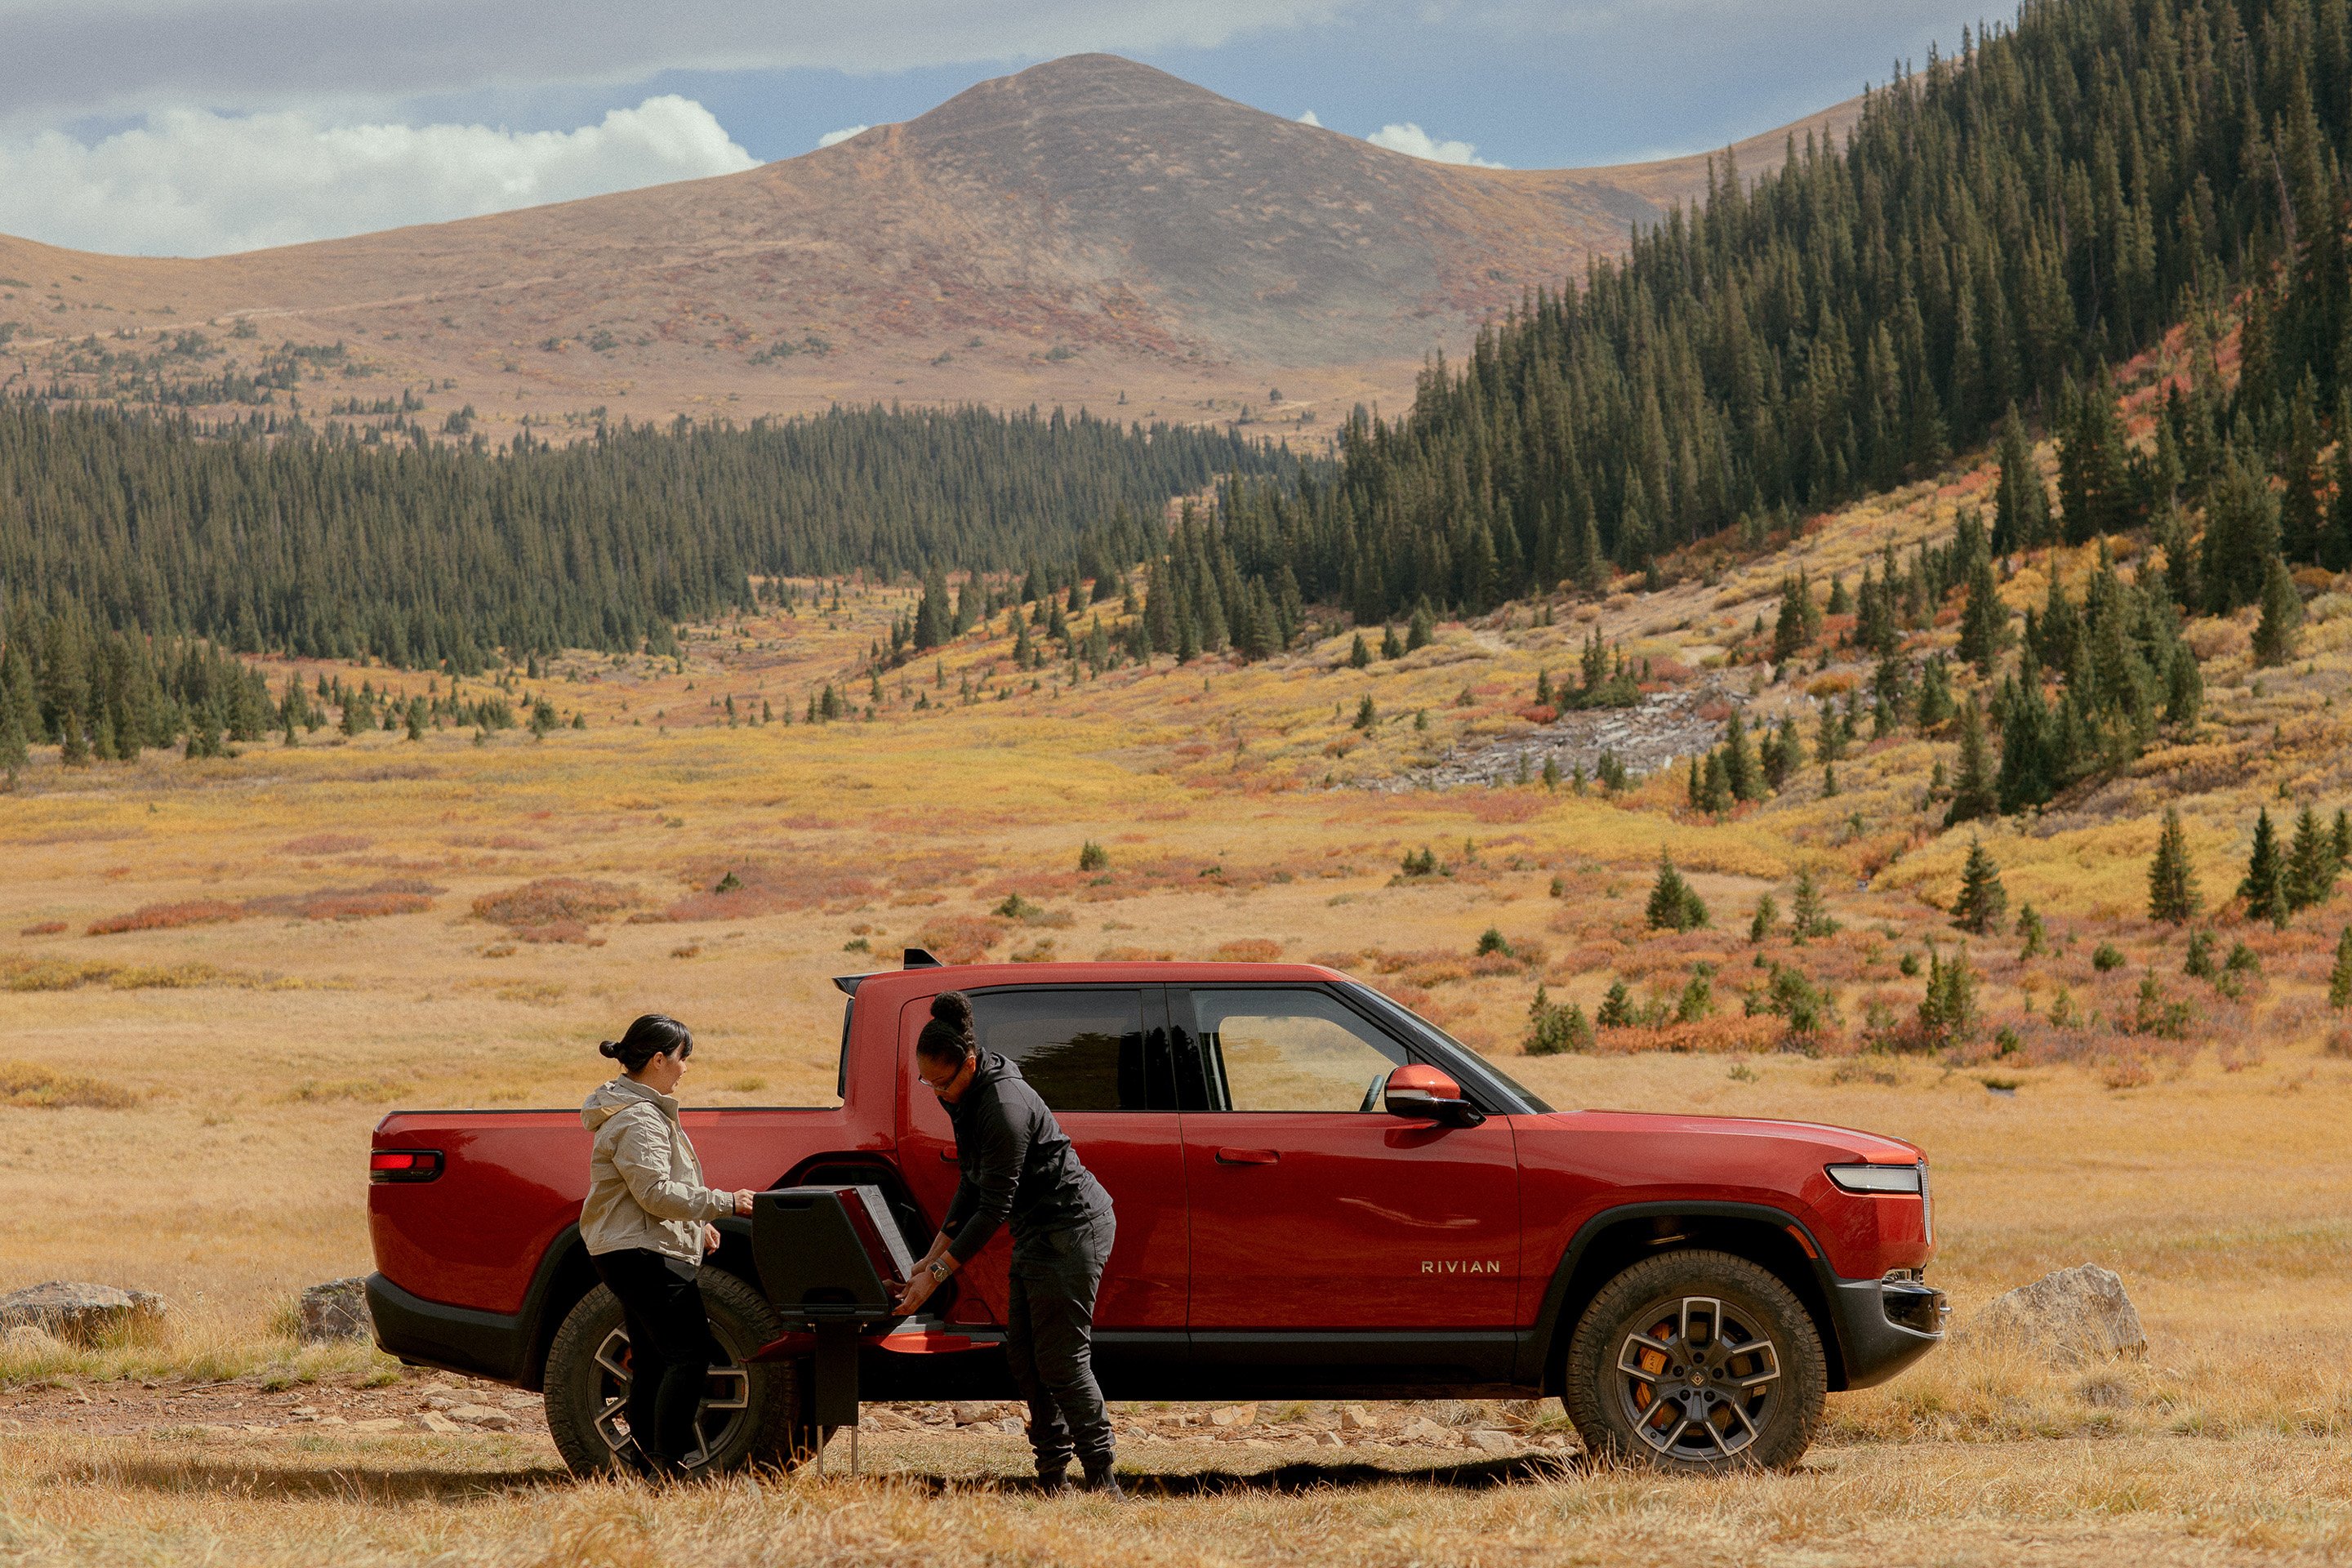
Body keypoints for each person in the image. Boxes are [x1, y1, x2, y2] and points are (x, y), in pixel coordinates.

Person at [893, 991, 1121, 1495]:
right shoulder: (965, 1094)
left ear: (968, 1063)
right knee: (1024, 1355)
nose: (936, 1092)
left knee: (1062, 1358)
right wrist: (926, 1259)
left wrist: (936, 1277)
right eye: (926, 1081)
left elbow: (993, 1206)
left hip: (1072, 1227)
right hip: (1037, 1230)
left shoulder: (1003, 1105)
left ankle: (1103, 1480)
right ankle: (1052, 1477)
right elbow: (971, 1185)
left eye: (941, 1081)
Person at [580, 1013, 757, 1478]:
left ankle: (648, 1466)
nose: (685, 1069)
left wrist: (697, 1225)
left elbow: (649, 1194)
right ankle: (667, 1466)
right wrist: (726, 1204)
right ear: (659, 1059)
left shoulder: (635, 1111)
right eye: (682, 1059)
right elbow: (654, 1193)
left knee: (656, 1360)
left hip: (631, 1250)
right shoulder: (640, 1119)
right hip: (645, 1255)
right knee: (689, 1356)